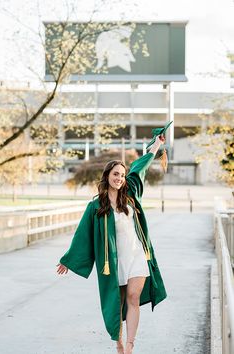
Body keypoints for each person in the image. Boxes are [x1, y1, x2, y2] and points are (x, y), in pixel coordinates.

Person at [57, 132, 168, 354]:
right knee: (117, 305)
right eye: (116, 174)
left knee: (134, 297)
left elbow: (140, 168)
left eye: (122, 175)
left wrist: (156, 145)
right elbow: (82, 235)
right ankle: (118, 342)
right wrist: (69, 260)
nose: (120, 178)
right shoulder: (95, 206)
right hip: (114, 262)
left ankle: (129, 345)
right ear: (107, 175)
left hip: (137, 256)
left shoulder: (131, 196)